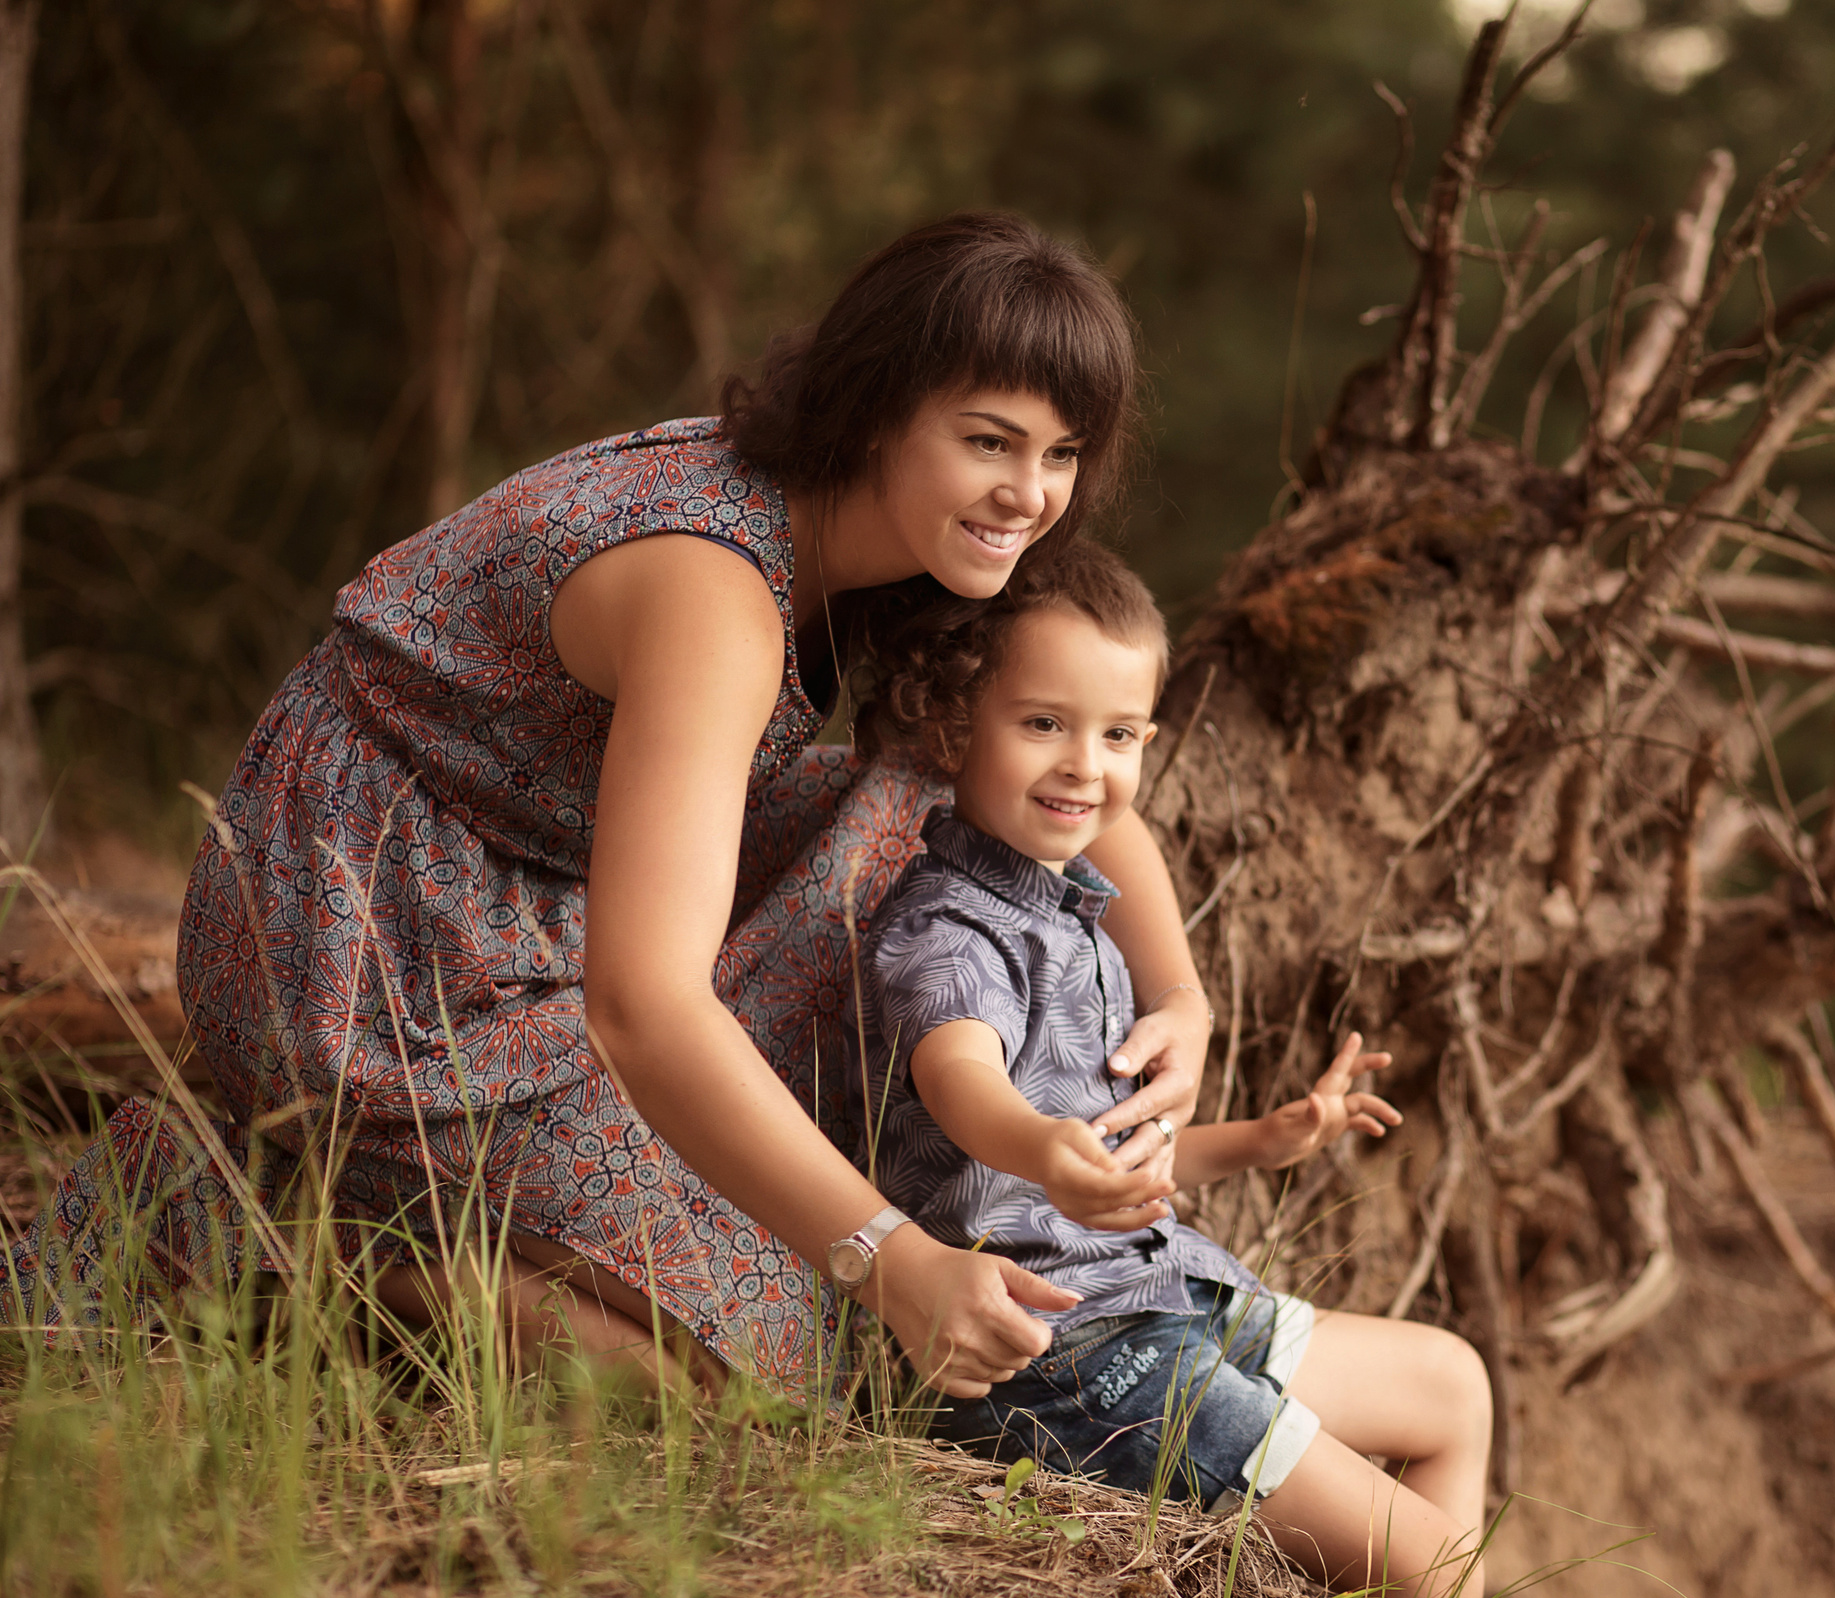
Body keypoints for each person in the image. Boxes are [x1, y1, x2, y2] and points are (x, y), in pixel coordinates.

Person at [8, 212, 1209, 1407]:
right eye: (989, 442)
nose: (1028, 495)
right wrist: (890, 1261)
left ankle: (716, 1180)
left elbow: (1047, 736)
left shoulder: (892, 534)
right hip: (363, 945)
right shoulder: (715, 595)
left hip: (534, 881)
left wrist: (1181, 998)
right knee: (772, 1380)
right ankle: (212, 1214)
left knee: (914, 799)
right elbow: (642, 1007)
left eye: (1061, 455)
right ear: (880, 406)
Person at [854, 544, 1493, 1598]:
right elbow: (961, 1086)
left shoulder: (1073, 910)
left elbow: (1116, 1160)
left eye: (1117, 735)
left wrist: (1264, 1138)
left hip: (1163, 1297)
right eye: (1042, 724)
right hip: (1065, 1355)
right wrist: (1045, 1150)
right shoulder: (949, 934)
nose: (1082, 766)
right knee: (1431, 1563)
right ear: (958, 727)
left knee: (1449, 1383)